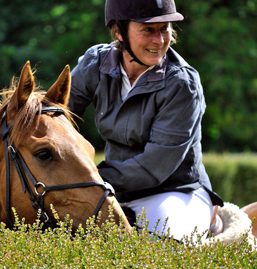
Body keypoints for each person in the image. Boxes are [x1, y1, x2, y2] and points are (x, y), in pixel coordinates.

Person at [68, 0, 223, 241]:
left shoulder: (182, 84)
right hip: (112, 189)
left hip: (174, 192)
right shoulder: (93, 64)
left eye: (165, 29)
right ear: (119, 31)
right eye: (148, 30)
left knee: (164, 248)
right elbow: (57, 118)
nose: (159, 41)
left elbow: (154, 167)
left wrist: (88, 179)